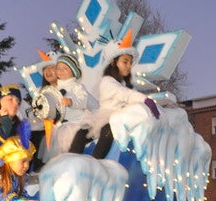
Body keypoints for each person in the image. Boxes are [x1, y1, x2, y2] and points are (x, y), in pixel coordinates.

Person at [69, 29, 160, 159]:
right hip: (106, 116)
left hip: (118, 116)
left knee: (108, 128)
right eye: (125, 61)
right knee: (101, 129)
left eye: (130, 62)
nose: (128, 66)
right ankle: (93, 161)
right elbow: (124, 94)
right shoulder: (107, 81)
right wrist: (146, 100)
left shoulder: (122, 82)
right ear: (113, 62)